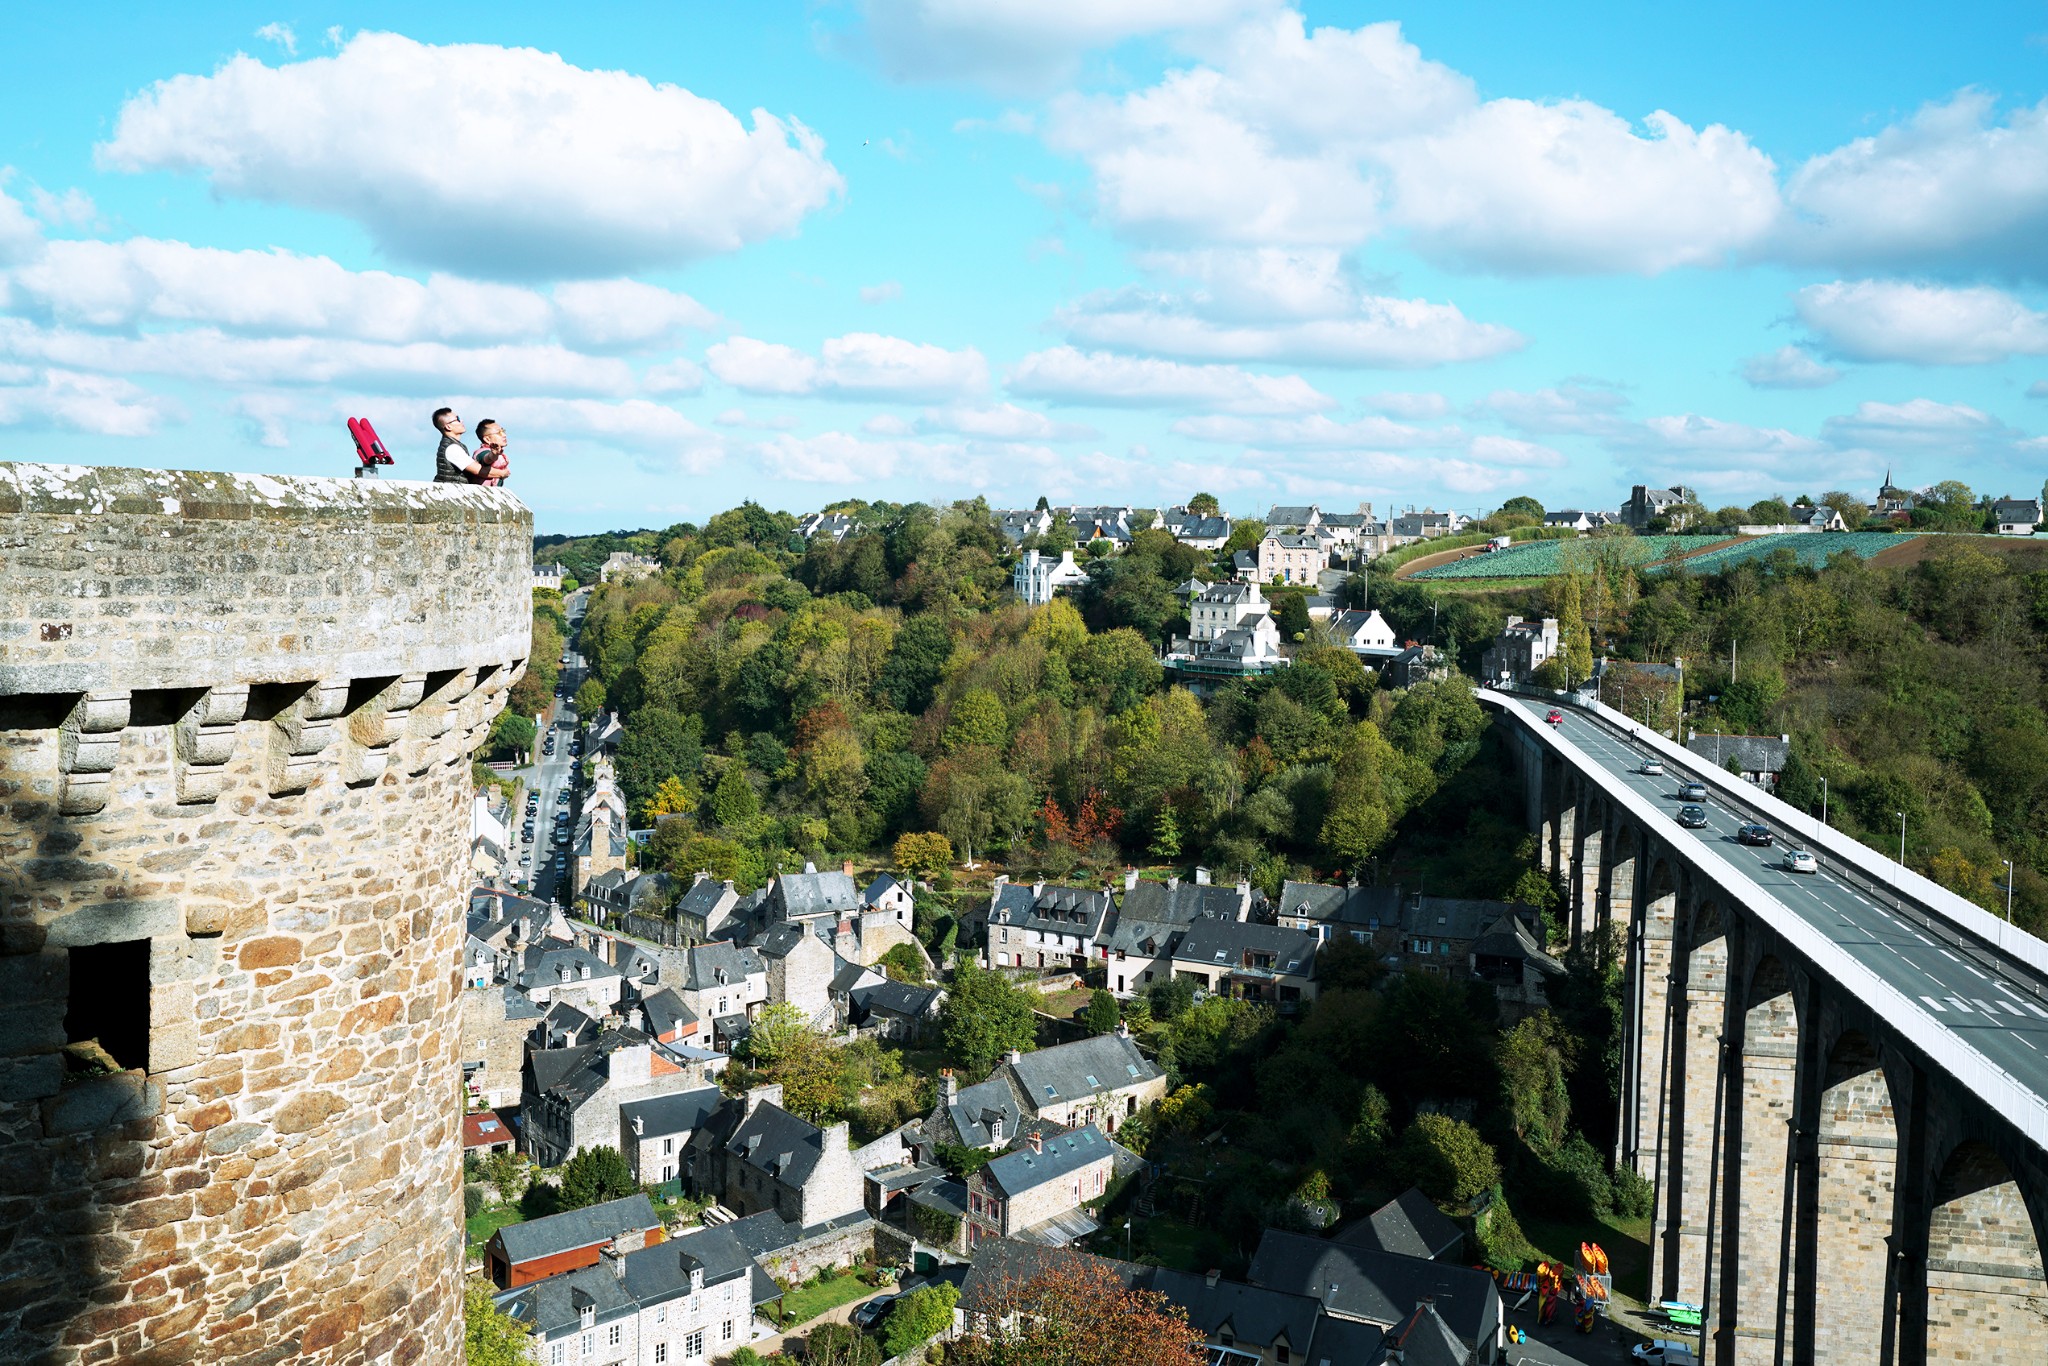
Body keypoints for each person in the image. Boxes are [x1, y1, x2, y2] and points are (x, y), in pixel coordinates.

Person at [431, 407, 486, 483]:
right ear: (448, 426)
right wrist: (502, 473)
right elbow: (479, 470)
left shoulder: (453, 444)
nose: (461, 421)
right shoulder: (452, 448)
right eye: (458, 419)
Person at [472, 418, 511, 486]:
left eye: (503, 431)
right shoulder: (481, 452)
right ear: (487, 439)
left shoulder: (499, 453)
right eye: (498, 433)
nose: (504, 435)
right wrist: (494, 454)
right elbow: (488, 459)